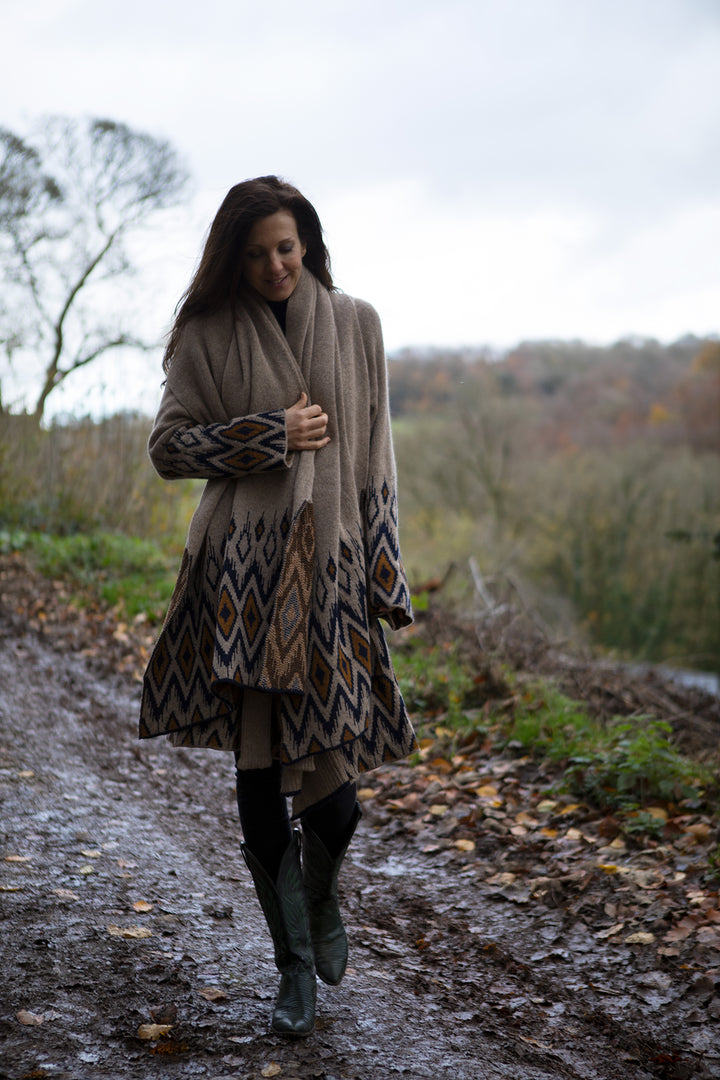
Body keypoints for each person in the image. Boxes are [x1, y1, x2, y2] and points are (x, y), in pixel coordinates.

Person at [139, 176, 416, 1036]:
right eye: (257, 253)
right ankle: (291, 965)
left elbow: (376, 459)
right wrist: (267, 433)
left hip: (330, 576)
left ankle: (320, 899)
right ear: (234, 255)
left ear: (309, 243)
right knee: (257, 776)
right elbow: (168, 449)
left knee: (338, 799)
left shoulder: (357, 323)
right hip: (246, 581)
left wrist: (384, 572)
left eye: (287, 248)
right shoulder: (204, 333)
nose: (275, 265)